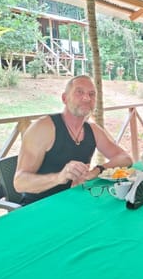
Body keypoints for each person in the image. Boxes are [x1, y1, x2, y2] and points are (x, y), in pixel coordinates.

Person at [14, 75, 133, 205]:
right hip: (39, 207)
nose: (87, 98)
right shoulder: (43, 128)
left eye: (92, 94)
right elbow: (19, 183)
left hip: (75, 201)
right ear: (64, 98)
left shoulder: (93, 130)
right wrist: (59, 177)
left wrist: (97, 170)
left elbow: (125, 158)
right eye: (79, 92)